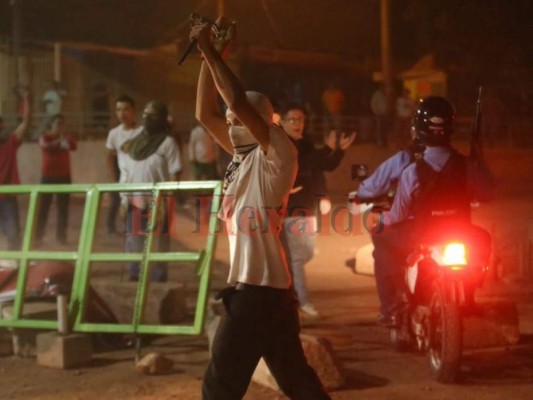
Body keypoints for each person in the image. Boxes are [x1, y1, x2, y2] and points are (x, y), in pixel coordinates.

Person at [190, 17, 331, 400]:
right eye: (232, 123)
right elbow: (206, 113)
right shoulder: (243, 154)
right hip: (271, 292)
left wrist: (208, 48)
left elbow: (234, 100)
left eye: (239, 122)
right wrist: (211, 57)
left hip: (256, 292)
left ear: (261, 123)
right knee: (296, 380)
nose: (231, 126)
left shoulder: (277, 153)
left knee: (219, 386)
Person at [368, 96, 494, 326]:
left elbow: (398, 214)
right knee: (484, 239)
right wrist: (479, 164)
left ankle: (392, 307)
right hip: (463, 234)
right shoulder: (467, 165)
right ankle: (470, 292)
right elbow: (486, 195)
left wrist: (380, 219)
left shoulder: (412, 171)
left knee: (381, 237)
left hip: (421, 236)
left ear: (419, 129)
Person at [280, 102, 355, 318]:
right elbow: (305, 163)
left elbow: (322, 167)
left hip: (308, 205)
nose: (297, 123)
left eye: (300, 119)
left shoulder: (305, 144)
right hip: (291, 206)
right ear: (283, 122)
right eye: (293, 119)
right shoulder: (282, 145)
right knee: (296, 257)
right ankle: (302, 301)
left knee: (306, 253)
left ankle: (290, 292)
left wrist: (337, 151)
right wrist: (330, 149)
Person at [121, 101, 182, 282]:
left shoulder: (167, 142)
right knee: (135, 240)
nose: (147, 119)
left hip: (160, 201)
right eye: (145, 115)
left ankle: (159, 277)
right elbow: (126, 175)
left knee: (161, 242)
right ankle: (136, 276)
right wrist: (124, 201)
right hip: (135, 200)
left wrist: (168, 201)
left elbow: (175, 172)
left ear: (162, 119)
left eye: (153, 116)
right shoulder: (133, 144)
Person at [35, 114, 77, 245]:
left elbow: (74, 147)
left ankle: (61, 236)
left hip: (64, 176)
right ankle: (38, 236)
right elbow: (45, 146)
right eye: (58, 123)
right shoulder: (45, 136)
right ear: (52, 124)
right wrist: (59, 140)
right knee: (43, 207)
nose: (61, 126)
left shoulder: (67, 137)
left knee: (63, 208)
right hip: (48, 176)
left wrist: (64, 138)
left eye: (62, 124)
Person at [105, 95, 142, 236]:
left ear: (133, 110)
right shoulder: (114, 134)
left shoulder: (142, 132)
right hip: (124, 181)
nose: (122, 113)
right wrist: (114, 179)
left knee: (139, 216)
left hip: (141, 180)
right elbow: (109, 156)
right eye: (118, 110)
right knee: (125, 213)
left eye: (125, 109)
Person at [0, 88, 30, 250]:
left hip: (7, 196)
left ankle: (17, 264)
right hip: (6, 197)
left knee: (12, 233)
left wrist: (26, 101)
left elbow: (25, 123)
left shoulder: (10, 142)